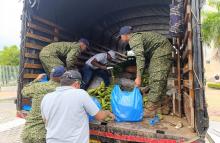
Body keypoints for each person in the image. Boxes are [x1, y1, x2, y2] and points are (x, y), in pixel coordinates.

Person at [41, 70, 115, 143]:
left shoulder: (46, 97)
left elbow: (45, 120)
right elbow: (100, 117)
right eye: (80, 85)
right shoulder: (80, 93)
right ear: (77, 83)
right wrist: (108, 113)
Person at [118, 26, 173, 117]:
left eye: (121, 36)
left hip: (161, 49)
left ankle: (150, 109)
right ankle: (163, 105)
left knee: (157, 77)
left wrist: (138, 77)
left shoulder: (134, 40)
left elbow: (140, 59)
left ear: (125, 35)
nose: (120, 38)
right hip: (160, 49)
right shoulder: (137, 38)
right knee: (158, 76)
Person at [21, 66, 65, 143]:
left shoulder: (38, 86)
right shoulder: (63, 90)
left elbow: (24, 91)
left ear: (51, 75)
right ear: (62, 77)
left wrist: (36, 80)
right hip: (42, 136)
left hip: (27, 133)